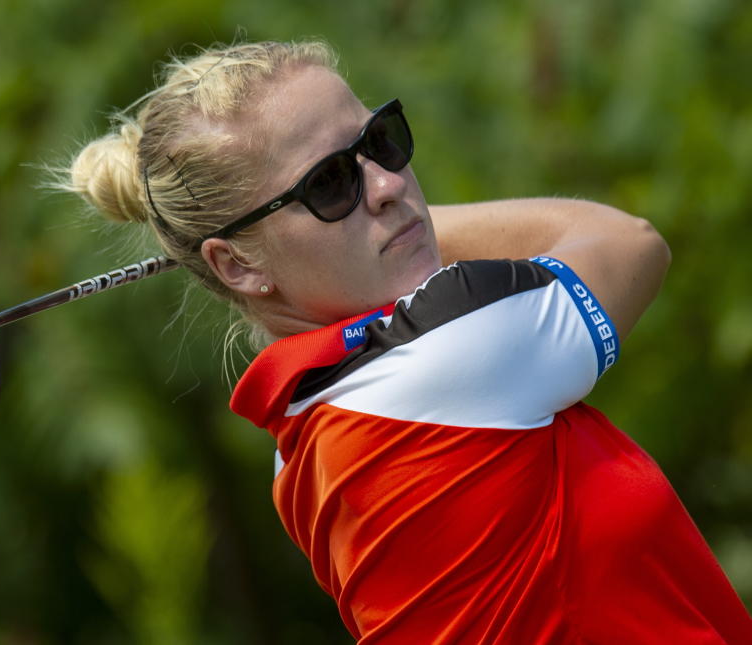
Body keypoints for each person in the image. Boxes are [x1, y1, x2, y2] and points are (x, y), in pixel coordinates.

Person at [66, 40, 752, 643]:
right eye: (328, 183)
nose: (389, 183)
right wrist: (409, 226)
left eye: (380, 141)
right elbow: (628, 243)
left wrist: (367, 227)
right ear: (236, 266)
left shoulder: (299, 451)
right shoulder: (452, 349)